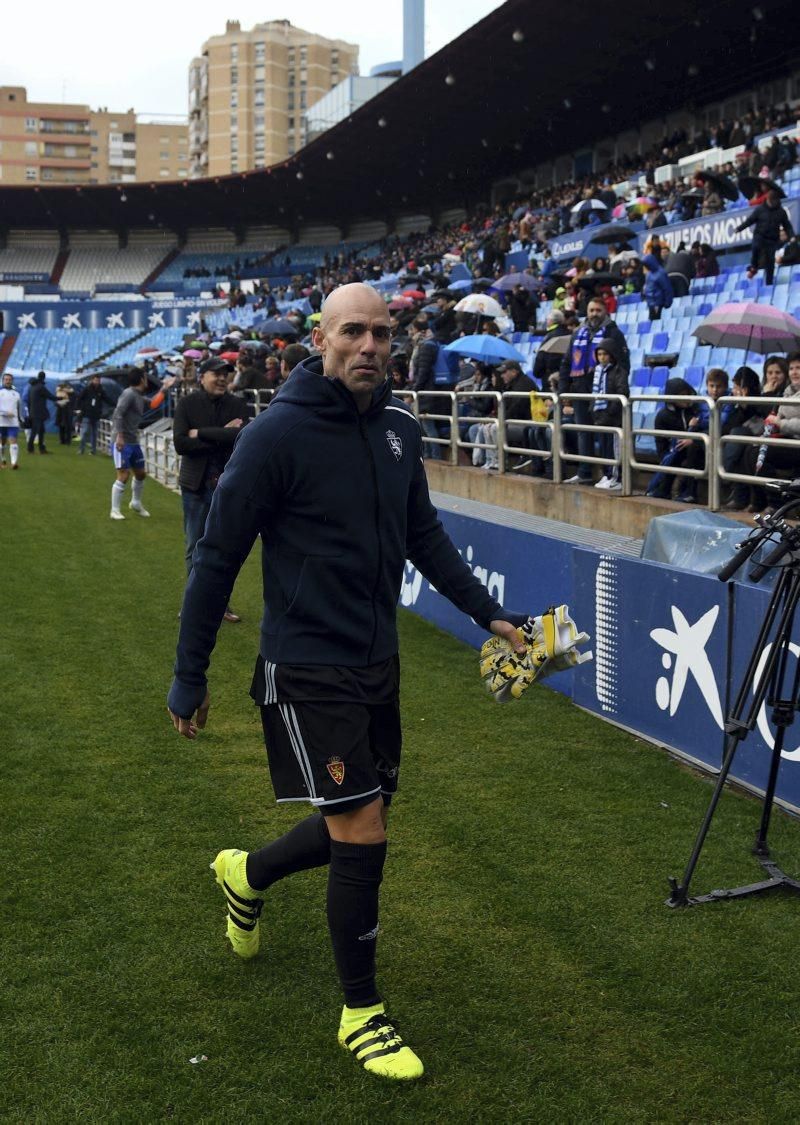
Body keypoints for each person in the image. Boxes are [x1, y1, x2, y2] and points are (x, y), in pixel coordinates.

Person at [167, 283, 538, 1083]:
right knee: (363, 829)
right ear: (321, 337)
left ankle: (247, 872)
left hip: (378, 661)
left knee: (358, 815)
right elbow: (216, 558)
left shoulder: (401, 425)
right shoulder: (274, 435)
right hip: (307, 666)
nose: (371, 346)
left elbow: (423, 535)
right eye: (354, 332)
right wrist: (188, 673)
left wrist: (491, 614)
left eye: (382, 332)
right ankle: (361, 1012)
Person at [172, 358, 249, 623]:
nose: (221, 379)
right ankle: (194, 605)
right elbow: (181, 443)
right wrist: (220, 435)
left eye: (226, 375)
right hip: (195, 486)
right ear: (202, 376)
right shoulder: (187, 404)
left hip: (228, 488)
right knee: (195, 547)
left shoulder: (237, 404)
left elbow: (241, 438)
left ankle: (221, 606)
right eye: (216, 374)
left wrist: (201, 433)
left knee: (225, 550)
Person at [558, 297, 629, 484]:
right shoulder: (578, 333)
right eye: (591, 310)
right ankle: (584, 472)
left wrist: (614, 386)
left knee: (605, 432)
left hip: (603, 391)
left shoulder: (614, 332)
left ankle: (610, 475)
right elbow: (567, 362)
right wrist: (563, 390)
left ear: (605, 311)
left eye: (598, 310)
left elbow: (623, 363)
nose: (594, 314)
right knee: (583, 431)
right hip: (581, 389)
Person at [109, 369, 176, 520]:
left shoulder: (137, 395)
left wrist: (165, 388)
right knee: (123, 475)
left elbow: (153, 404)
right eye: (145, 377)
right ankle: (114, 510)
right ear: (141, 379)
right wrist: (119, 436)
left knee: (140, 474)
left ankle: (136, 503)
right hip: (122, 441)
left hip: (133, 440)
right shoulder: (128, 394)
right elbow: (118, 414)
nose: (147, 380)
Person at [746, 352, 800, 512]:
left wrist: (780, 423)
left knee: (760, 453)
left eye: (799, 368)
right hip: (788, 439)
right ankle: (760, 501)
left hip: (796, 443)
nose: (794, 372)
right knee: (751, 450)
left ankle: (776, 505)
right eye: (791, 368)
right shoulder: (789, 391)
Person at [590, 339, 629, 491]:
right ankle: (607, 474)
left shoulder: (619, 371)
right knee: (604, 449)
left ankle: (616, 477)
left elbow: (622, 392)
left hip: (614, 419)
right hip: (601, 417)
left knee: (614, 449)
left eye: (605, 354)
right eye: (599, 354)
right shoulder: (597, 372)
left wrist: (610, 411)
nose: (602, 357)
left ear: (611, 355)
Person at [736, 188, 795, 285]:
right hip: (760, 235)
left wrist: (791, 236)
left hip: (772, 239)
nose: (773, 203)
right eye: (771, 201)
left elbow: (787, 226)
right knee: (756, 247)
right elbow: (750, 221)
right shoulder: (760, 210)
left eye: (775, 201)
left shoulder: (781, 212)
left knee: (770, 262)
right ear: (768, 199)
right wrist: (739, 228)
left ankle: (769, 284)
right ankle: (754, 266)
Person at [75, 374, 113, 455]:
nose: (97, 382)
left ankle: (93, 450)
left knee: (95, 433)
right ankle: (81, 449)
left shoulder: (101, 390)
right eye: (96, 380)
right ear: (92, 380)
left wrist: (115, 404)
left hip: (96, 415)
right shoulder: (87, 389)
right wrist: (80, 408)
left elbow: (107, 399)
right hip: (87, 414)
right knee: (84, 432)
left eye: (98, 381)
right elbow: (79, 398)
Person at [27, 372, 56, 454]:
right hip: (39, 413)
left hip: (33, 412)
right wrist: (62, 398)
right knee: (37, 431)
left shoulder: (32, 387)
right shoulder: (41, 387)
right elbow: (50, 396)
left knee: (39, 431)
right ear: (44, 378)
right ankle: (32, 448)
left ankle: (39, 448)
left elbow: (29, 401)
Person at [641, 253, 674, 321]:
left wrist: (667, 302)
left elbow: (667, 288)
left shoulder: (661, 273)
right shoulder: (649, 274)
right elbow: (647, 286)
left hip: (657, 303)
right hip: (650, 302)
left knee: (656, 322)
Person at [0, 372, 22, 469]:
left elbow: (18, 408)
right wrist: (5, 413)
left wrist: (20, 419)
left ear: (12, 381)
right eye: (6, 379)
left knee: (13, 440)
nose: (8, 381)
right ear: (3, 380)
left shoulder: (16, 394)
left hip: (13, 422)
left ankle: (14, 463)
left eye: (9, 380)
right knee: (2, 443)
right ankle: (3, 459)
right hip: (1, 421)